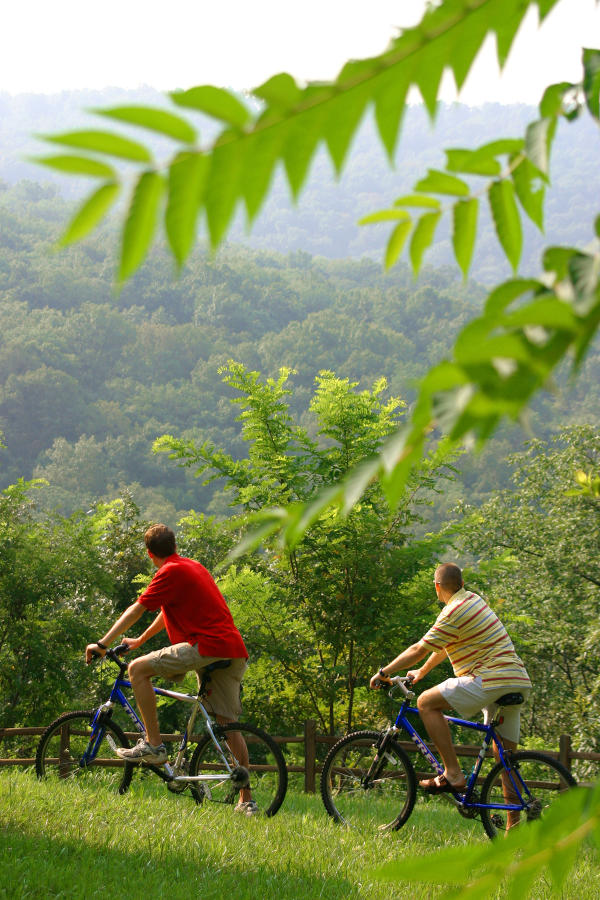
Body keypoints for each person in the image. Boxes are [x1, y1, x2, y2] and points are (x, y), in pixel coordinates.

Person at [85, 523, 257, 816]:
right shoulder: (192, 567)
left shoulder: (169, 572)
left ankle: (153, 745)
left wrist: (102, 644)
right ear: (174, 546)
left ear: (151, 554)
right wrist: (140, 640)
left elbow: (137, 609)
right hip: (233, 649)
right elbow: (165, 613)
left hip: (206, 646)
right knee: (228, 725)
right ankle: (246, 800)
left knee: (137, 670)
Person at [370, 562, 531, 829]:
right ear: (461, 583)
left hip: (489, 678)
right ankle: (513, 831)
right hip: (516, 680)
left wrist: (384, 671)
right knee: (505, 760)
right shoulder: (473, 600)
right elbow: (445, 645)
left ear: (437, 587)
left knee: (425, 703)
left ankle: (453, 774)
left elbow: (419, 648)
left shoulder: (452, 611)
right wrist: (421, 672)